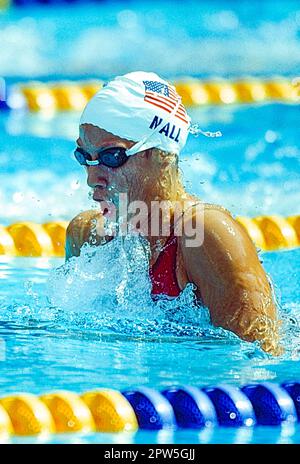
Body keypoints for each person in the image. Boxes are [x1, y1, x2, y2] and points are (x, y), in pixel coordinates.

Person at [66, 71, 281, 354]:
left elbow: (259, 361)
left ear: (160, 155)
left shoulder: (204, 235)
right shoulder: (87, 237)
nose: (92, 178)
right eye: (85, 157)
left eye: (111, 157)